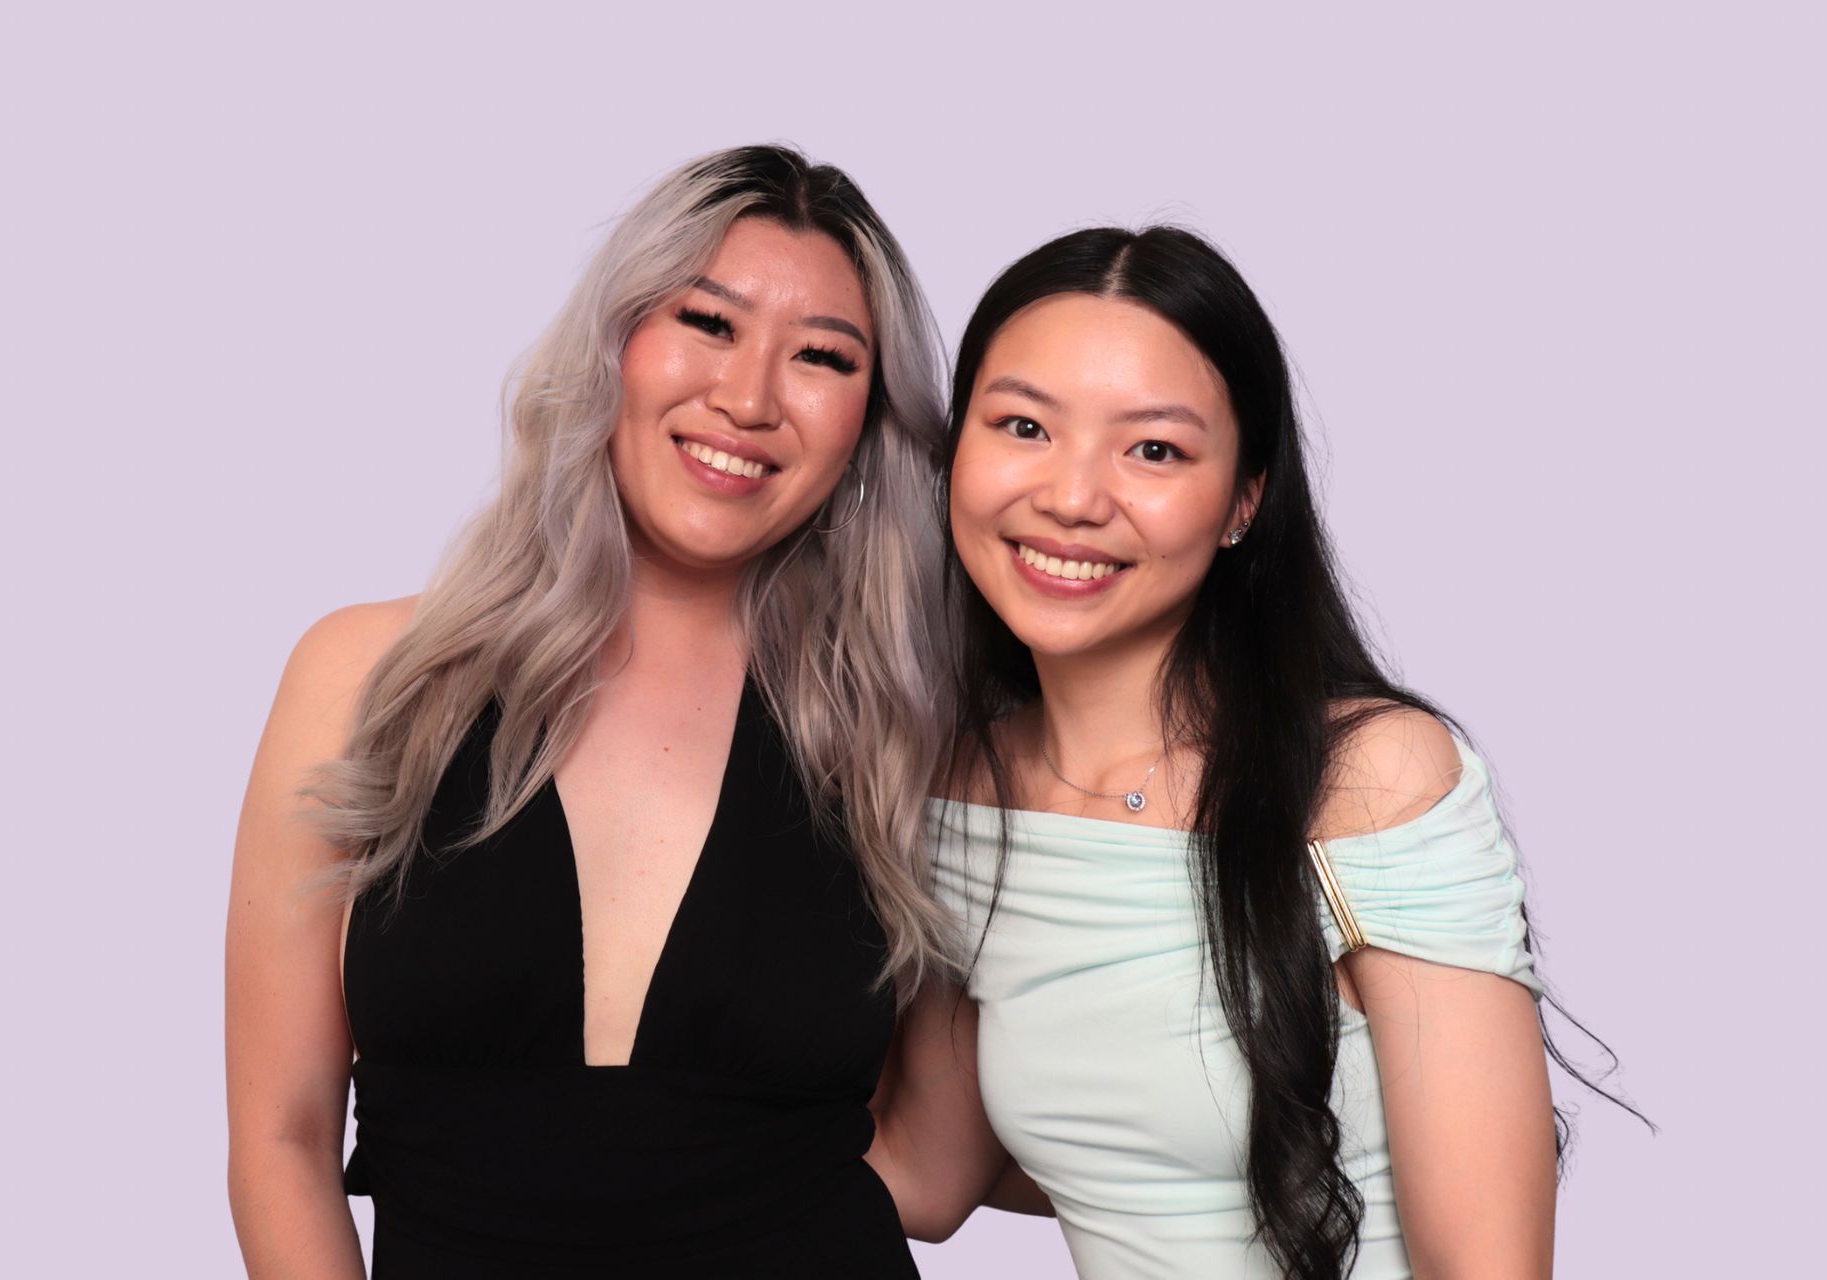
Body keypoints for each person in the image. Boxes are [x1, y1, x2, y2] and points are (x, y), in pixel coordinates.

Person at [225, 145, 960, 1278]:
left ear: (869, 422)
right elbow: (280, 1141)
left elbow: (935, 1164)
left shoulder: (910, 734)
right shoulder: (367, 675)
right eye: (707, 322)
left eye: (822, 356)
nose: (750, 396)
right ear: (615, 340)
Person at [870, 226, 1567, 1279]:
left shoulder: (1367, 783)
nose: (1071, 496)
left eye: (1153, 448)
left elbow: (1489, 1268)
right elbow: (925, 1173)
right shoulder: (959, 795)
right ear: (954, 449)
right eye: (1023, 425)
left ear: (1244, 498)